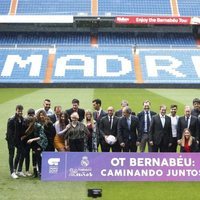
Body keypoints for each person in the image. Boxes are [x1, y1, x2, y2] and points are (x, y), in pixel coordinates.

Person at [6, 105, 26, 179]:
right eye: (19, 110)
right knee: (11, 155)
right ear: (16, 110)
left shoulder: (21, 119)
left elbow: (21, 130)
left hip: (18, 139)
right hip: (11, 140)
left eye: (21, 110)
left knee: (22, 152)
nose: (20, 112)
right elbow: (9, 132)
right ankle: (12, 172)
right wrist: (10, 142)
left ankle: (17, 170)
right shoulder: (11, 119)